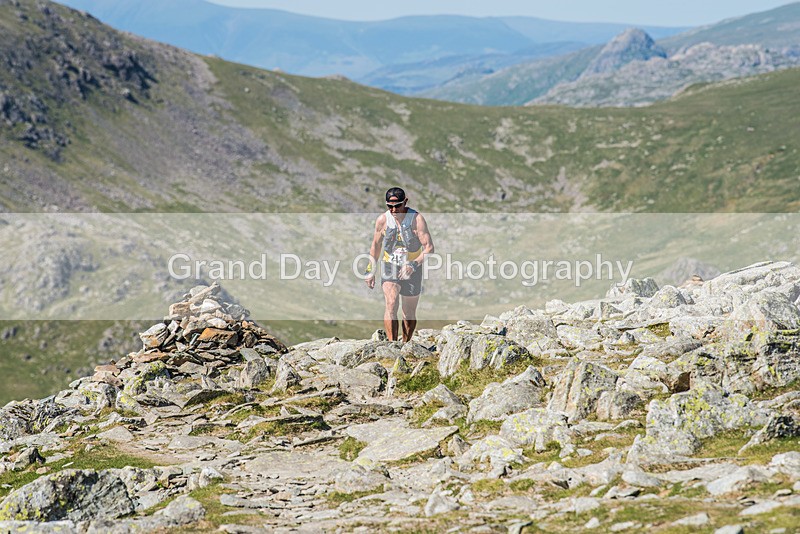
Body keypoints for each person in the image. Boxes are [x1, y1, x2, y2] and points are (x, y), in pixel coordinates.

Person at [365, 187, 434, 342]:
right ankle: (392, 345)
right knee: (391, 302)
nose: (394, 210)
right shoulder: (383, 220)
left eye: (398, 206)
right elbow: (375, 246)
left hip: (413, 267)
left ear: (406, 202)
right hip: (390, 265)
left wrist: (413, 265)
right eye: (390, 206)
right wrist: (370, 270)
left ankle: (406, 343)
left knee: (408, 313)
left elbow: (429, 248)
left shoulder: (416, 220)